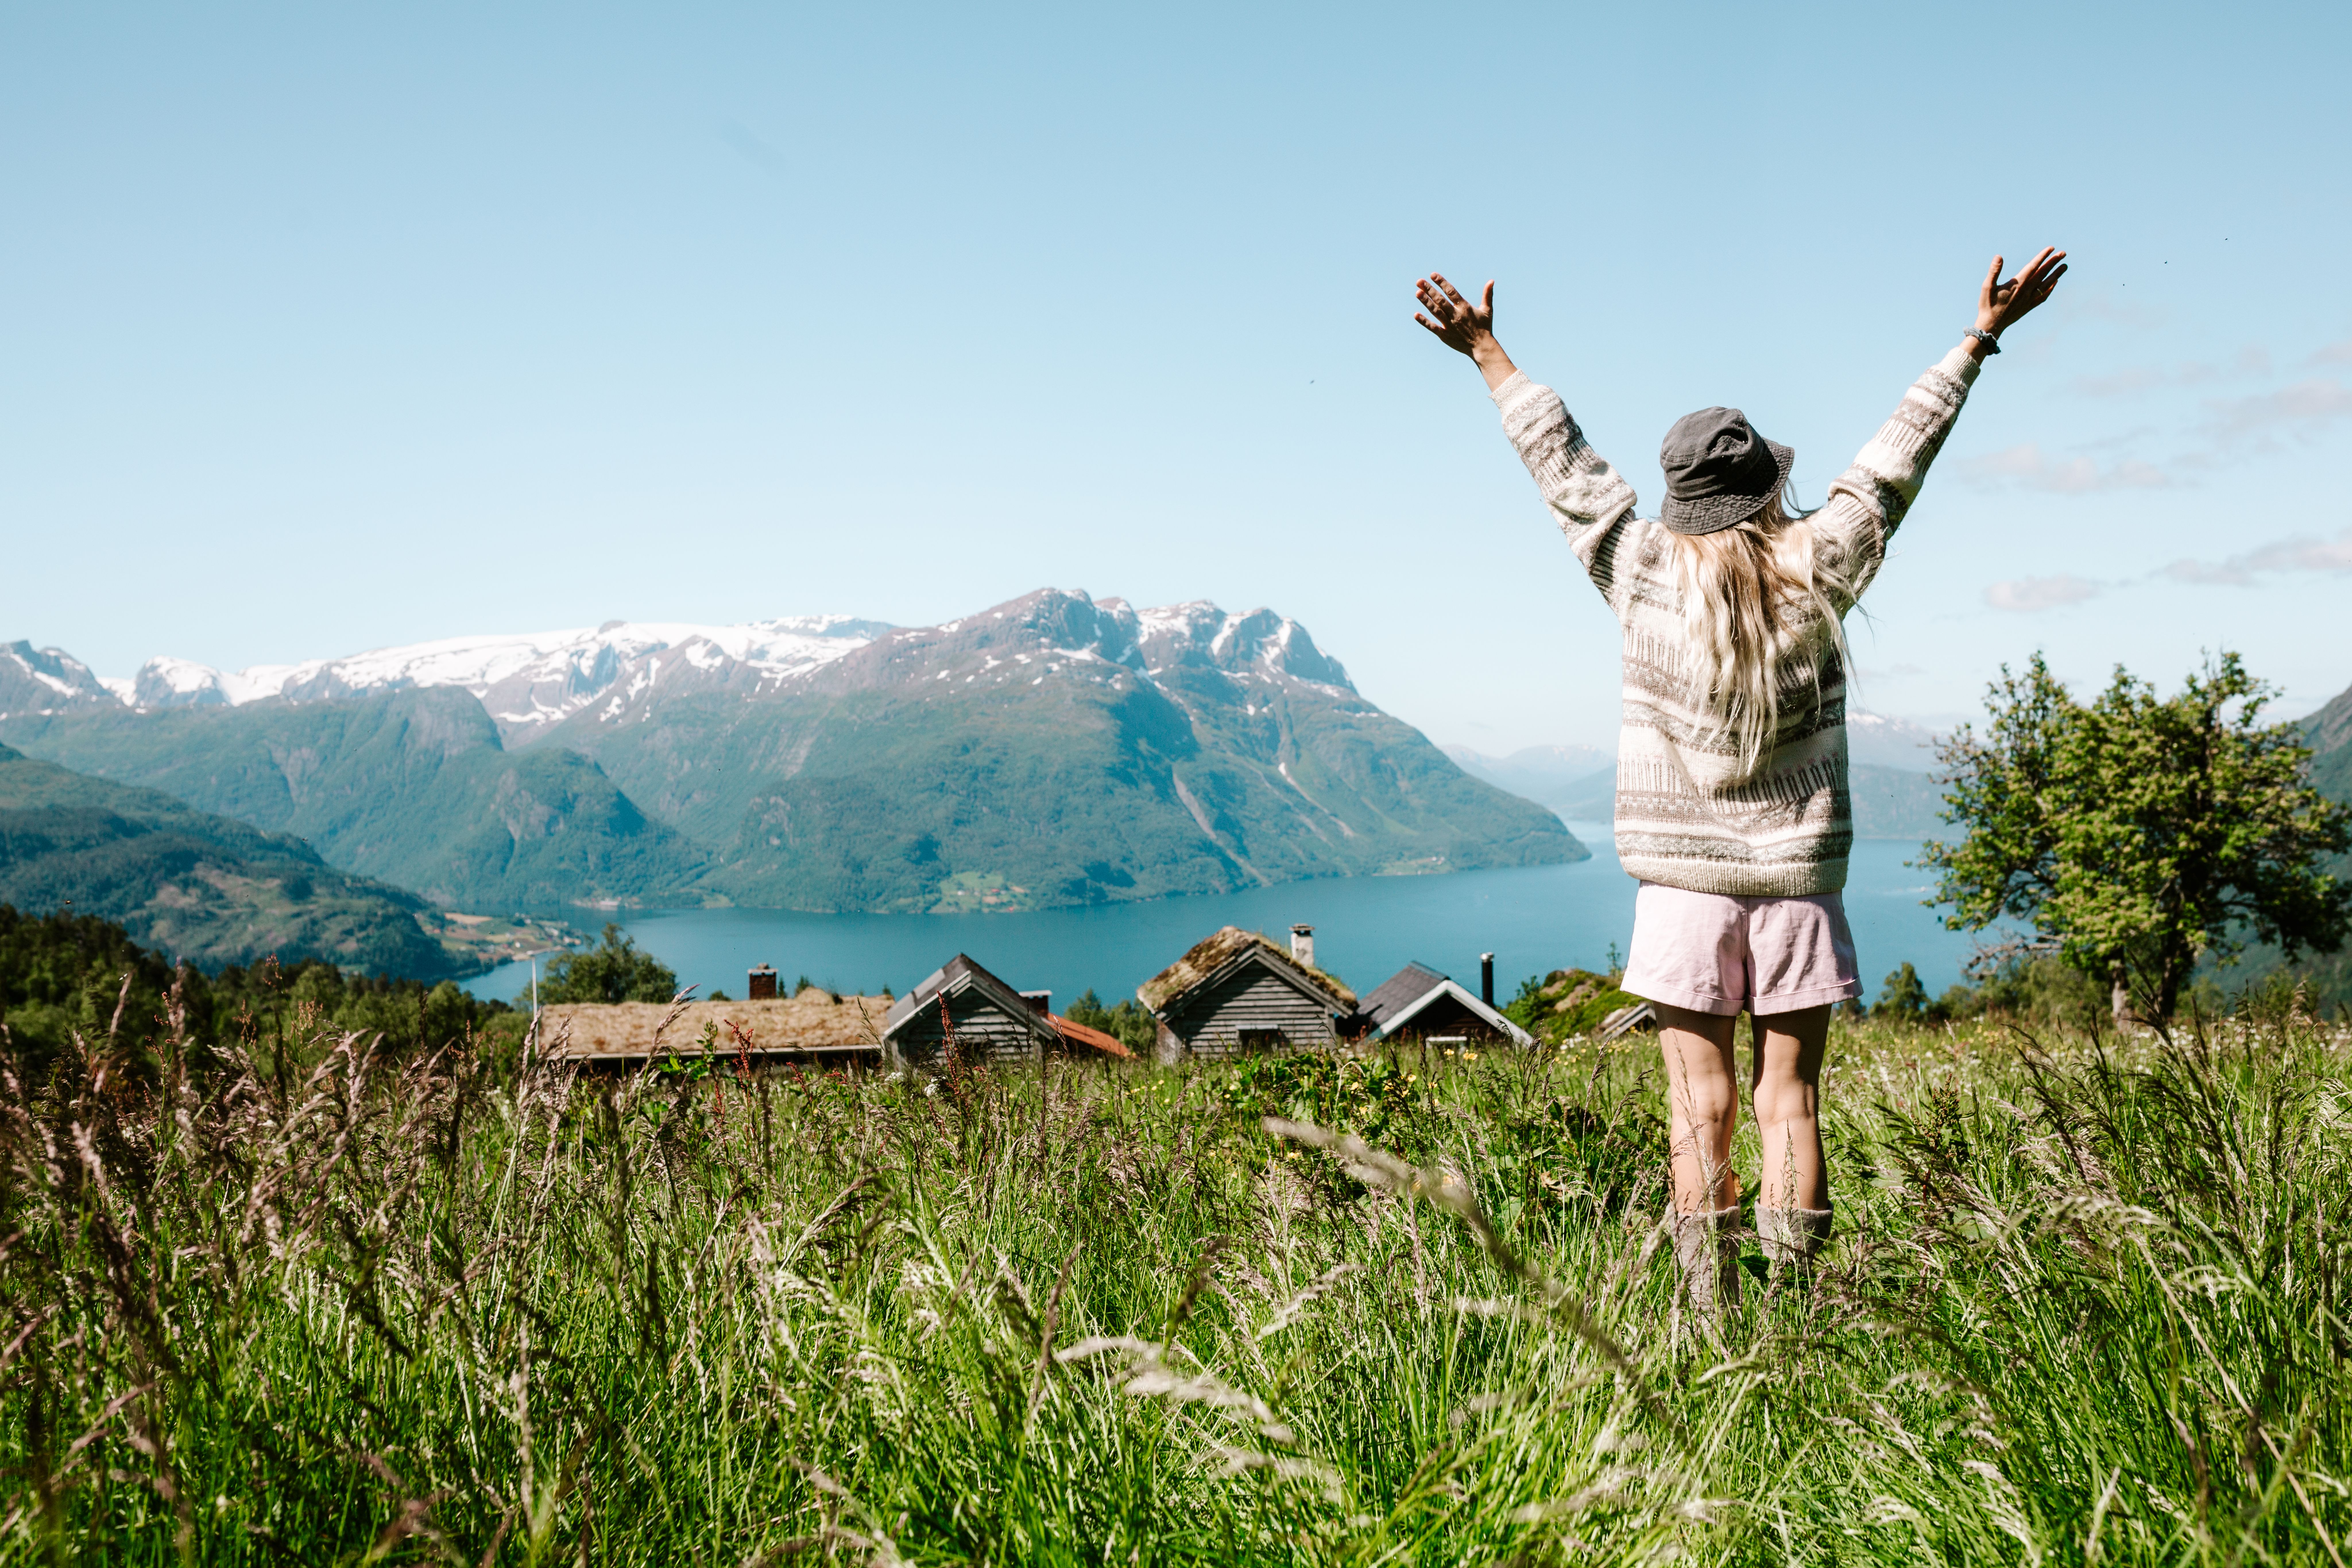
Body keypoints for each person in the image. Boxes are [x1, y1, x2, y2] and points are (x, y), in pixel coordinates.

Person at [1414, 249, 2067, 1312]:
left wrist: (1486, 352)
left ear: (1679, 501)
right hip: (1800, 887)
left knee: (1696, 1104)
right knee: (1790, 1104)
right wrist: (1978, 339)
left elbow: (1565, 469)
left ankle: (1714, 1322)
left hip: (1678, 889)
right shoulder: (1823, 565)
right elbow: (1896, 463)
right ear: (1769, 487)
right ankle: (1797, 1321)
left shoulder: (1638, 571)